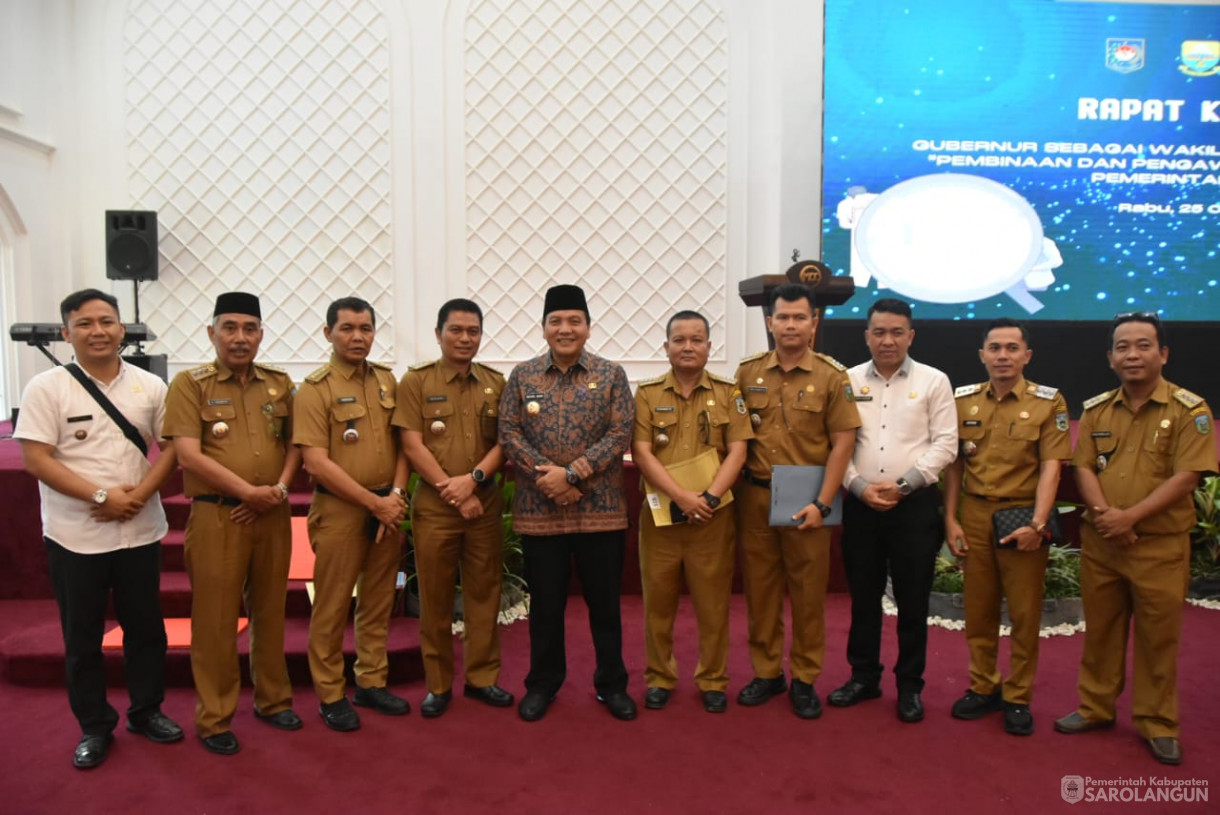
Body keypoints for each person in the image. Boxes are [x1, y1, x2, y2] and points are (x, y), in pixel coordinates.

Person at [15, 289, 184, 769]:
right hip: (76, 535)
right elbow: (35, 459)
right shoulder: (47, 388)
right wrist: (102, 496)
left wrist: (139, 494)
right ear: (66, 333)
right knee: (83, 637)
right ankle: (94, 726)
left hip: (140, 529)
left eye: (107, 321)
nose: (98, 331)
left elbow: (171, 447)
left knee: (146, 629)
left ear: (122, 329)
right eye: (85, 323)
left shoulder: (150, 387)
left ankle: (147, 711)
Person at [1054, 313, 1216, 765]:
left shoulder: (1190, 410)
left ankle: (1157, 723)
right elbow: (1083, 466)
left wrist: (1131, 518)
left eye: (1143, 345)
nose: (1132, 354)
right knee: (1100, 633)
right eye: (1122, 347)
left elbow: (1188, 476)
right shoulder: (1098, 409)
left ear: (1162, 353)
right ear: (1110, 358)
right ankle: (1095, 707)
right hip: (1103, 544)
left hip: (1158, 547)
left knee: (1157, 639)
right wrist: (1107, 516)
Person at [163, 292, 302, 755]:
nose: (240, 338)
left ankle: (273, 699)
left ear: (261, 334)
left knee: (270, 610)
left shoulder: (280, 385)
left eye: (249, 328)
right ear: (212, 333)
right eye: (230, 328)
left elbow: (296, 445)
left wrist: (278, 491)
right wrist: (247, 493)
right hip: (220, 515)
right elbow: (187, 453)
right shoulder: (190, 384)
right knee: (216, 620)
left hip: (273, 513)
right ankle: (215, 717)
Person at [498, 283, 636, 722]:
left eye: (574, 321)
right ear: (543, 329)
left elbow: (621, 434)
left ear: (589, 328)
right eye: (556, 321)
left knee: (605, 608)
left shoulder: (611, 375)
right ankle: (542, 685)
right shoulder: (523, 376)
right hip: (541, 515)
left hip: (601, 512)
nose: (565, 328)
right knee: (546, 608)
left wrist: (573, 474)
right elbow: (509, 433)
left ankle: (612, 685)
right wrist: (549, 477)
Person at [734, 283, 860, 719]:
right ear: (769, 322)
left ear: (814, 323)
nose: (790, 325)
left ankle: (805, 678)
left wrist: (824, 504)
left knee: (808, 595)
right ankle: (767, 673)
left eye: (799, 317)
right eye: (782, 317)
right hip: (755, 497)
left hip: (809, 500)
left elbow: (843, 444)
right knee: (761, 591)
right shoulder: (747, 373)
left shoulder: (831, 376)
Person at [829, 298, 957, 723]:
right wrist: (859, 487)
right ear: (866, 335)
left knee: (912, 599)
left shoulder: (934, 380)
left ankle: (909, 686)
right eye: (879, 332)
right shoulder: (845, 380)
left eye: (896, 332)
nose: (887, 340)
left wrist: (903, 486)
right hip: (862, 506)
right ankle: (863, 677)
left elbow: (946, 444)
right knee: (863, 598)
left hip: (914, 507)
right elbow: (836, 444)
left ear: (911, 336)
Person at [942, 317, 1070, 736]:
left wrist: (1038, 524)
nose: (1003, 355)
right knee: (978, 610)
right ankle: (983, 686)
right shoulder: (964, 402)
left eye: (1012, 348)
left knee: (1023, 612)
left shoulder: (1049, 403)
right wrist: (951, 517)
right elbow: (956, 466)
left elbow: (1052, 468)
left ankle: (1017, 695)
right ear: (982, 355)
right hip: (976, 516)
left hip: (1021, 518)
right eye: (994, 348)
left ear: (1026, 355)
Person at [294, 297, 410, 732]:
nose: (357, 337)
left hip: (387, 509)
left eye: (365, 328)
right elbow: (315, 462)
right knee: (332, 606)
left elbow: (403, 444)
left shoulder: (386, 381)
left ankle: (371, 681)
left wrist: (396, 496)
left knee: (378, 602)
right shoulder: (314, 389)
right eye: (347, 328)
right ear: (328, 333)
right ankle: (330, 693)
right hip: (342, 511)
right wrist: (373, 502)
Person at [395, 298, 514, 717]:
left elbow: (505, 442)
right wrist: (453, 490)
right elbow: (411, 443)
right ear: (438, 334)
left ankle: (483, 679)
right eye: (456, 330)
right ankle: (439, 685)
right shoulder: (416, 382)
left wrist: (473, 482)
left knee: (485, 593)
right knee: (436, 596)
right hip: (436, 506)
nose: (465, 338)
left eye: (473, 331)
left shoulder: (496, 383)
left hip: (483, 503)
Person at [631, 310, 751, 714]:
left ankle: (713, 679)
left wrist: (710, 498)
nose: (687, 347)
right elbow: (642, 452)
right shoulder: (647, 394)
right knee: (658, 604)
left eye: (696, 340)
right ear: (666, 347)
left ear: (708, 347)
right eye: (679, 340)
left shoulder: (729, 391)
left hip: (712, 519)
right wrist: (682, 496)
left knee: (714, 603)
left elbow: (738, 450)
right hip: (662, 517)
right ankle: (660, 677)